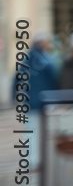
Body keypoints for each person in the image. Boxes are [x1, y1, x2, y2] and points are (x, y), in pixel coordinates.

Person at [11, 33, 58, 171]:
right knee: (43, 133)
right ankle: (40, 160)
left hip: (29, 103)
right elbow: (54, 81)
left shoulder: (25, 61)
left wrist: (15, 97)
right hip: (44, 103)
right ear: (43, 44)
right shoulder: (47, 60)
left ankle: (32, 161)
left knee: (30, 132)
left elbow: (16, 81)